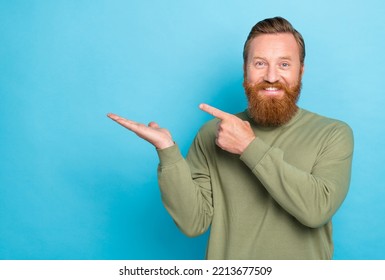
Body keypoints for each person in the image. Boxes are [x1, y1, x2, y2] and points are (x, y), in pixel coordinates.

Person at [107, 16, 354, 260]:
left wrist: (248, 146)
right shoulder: (212, 134)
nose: (271, 76)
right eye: (259, 63)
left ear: (301, 70)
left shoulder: (333, 133)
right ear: (245, 69)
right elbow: (193, 222)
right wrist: (168, 151)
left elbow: (317, 210)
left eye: (284, 64)